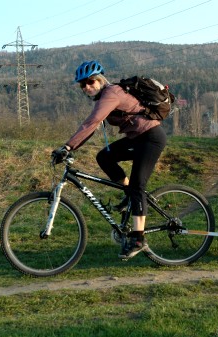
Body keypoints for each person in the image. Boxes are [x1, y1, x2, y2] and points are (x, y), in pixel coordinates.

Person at [51, 60, 167, 259]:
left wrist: (68, 146)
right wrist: (71, 147)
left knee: (138, 186)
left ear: (100, 79)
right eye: (82, 84)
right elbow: (92, 128)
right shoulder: (104, 97)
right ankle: (129, 193)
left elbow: (92, 121)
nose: (87, 87)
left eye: (90, 81)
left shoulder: (111, 93)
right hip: (137, 138)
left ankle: (138, 239)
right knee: (104, 156)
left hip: (151, 138)